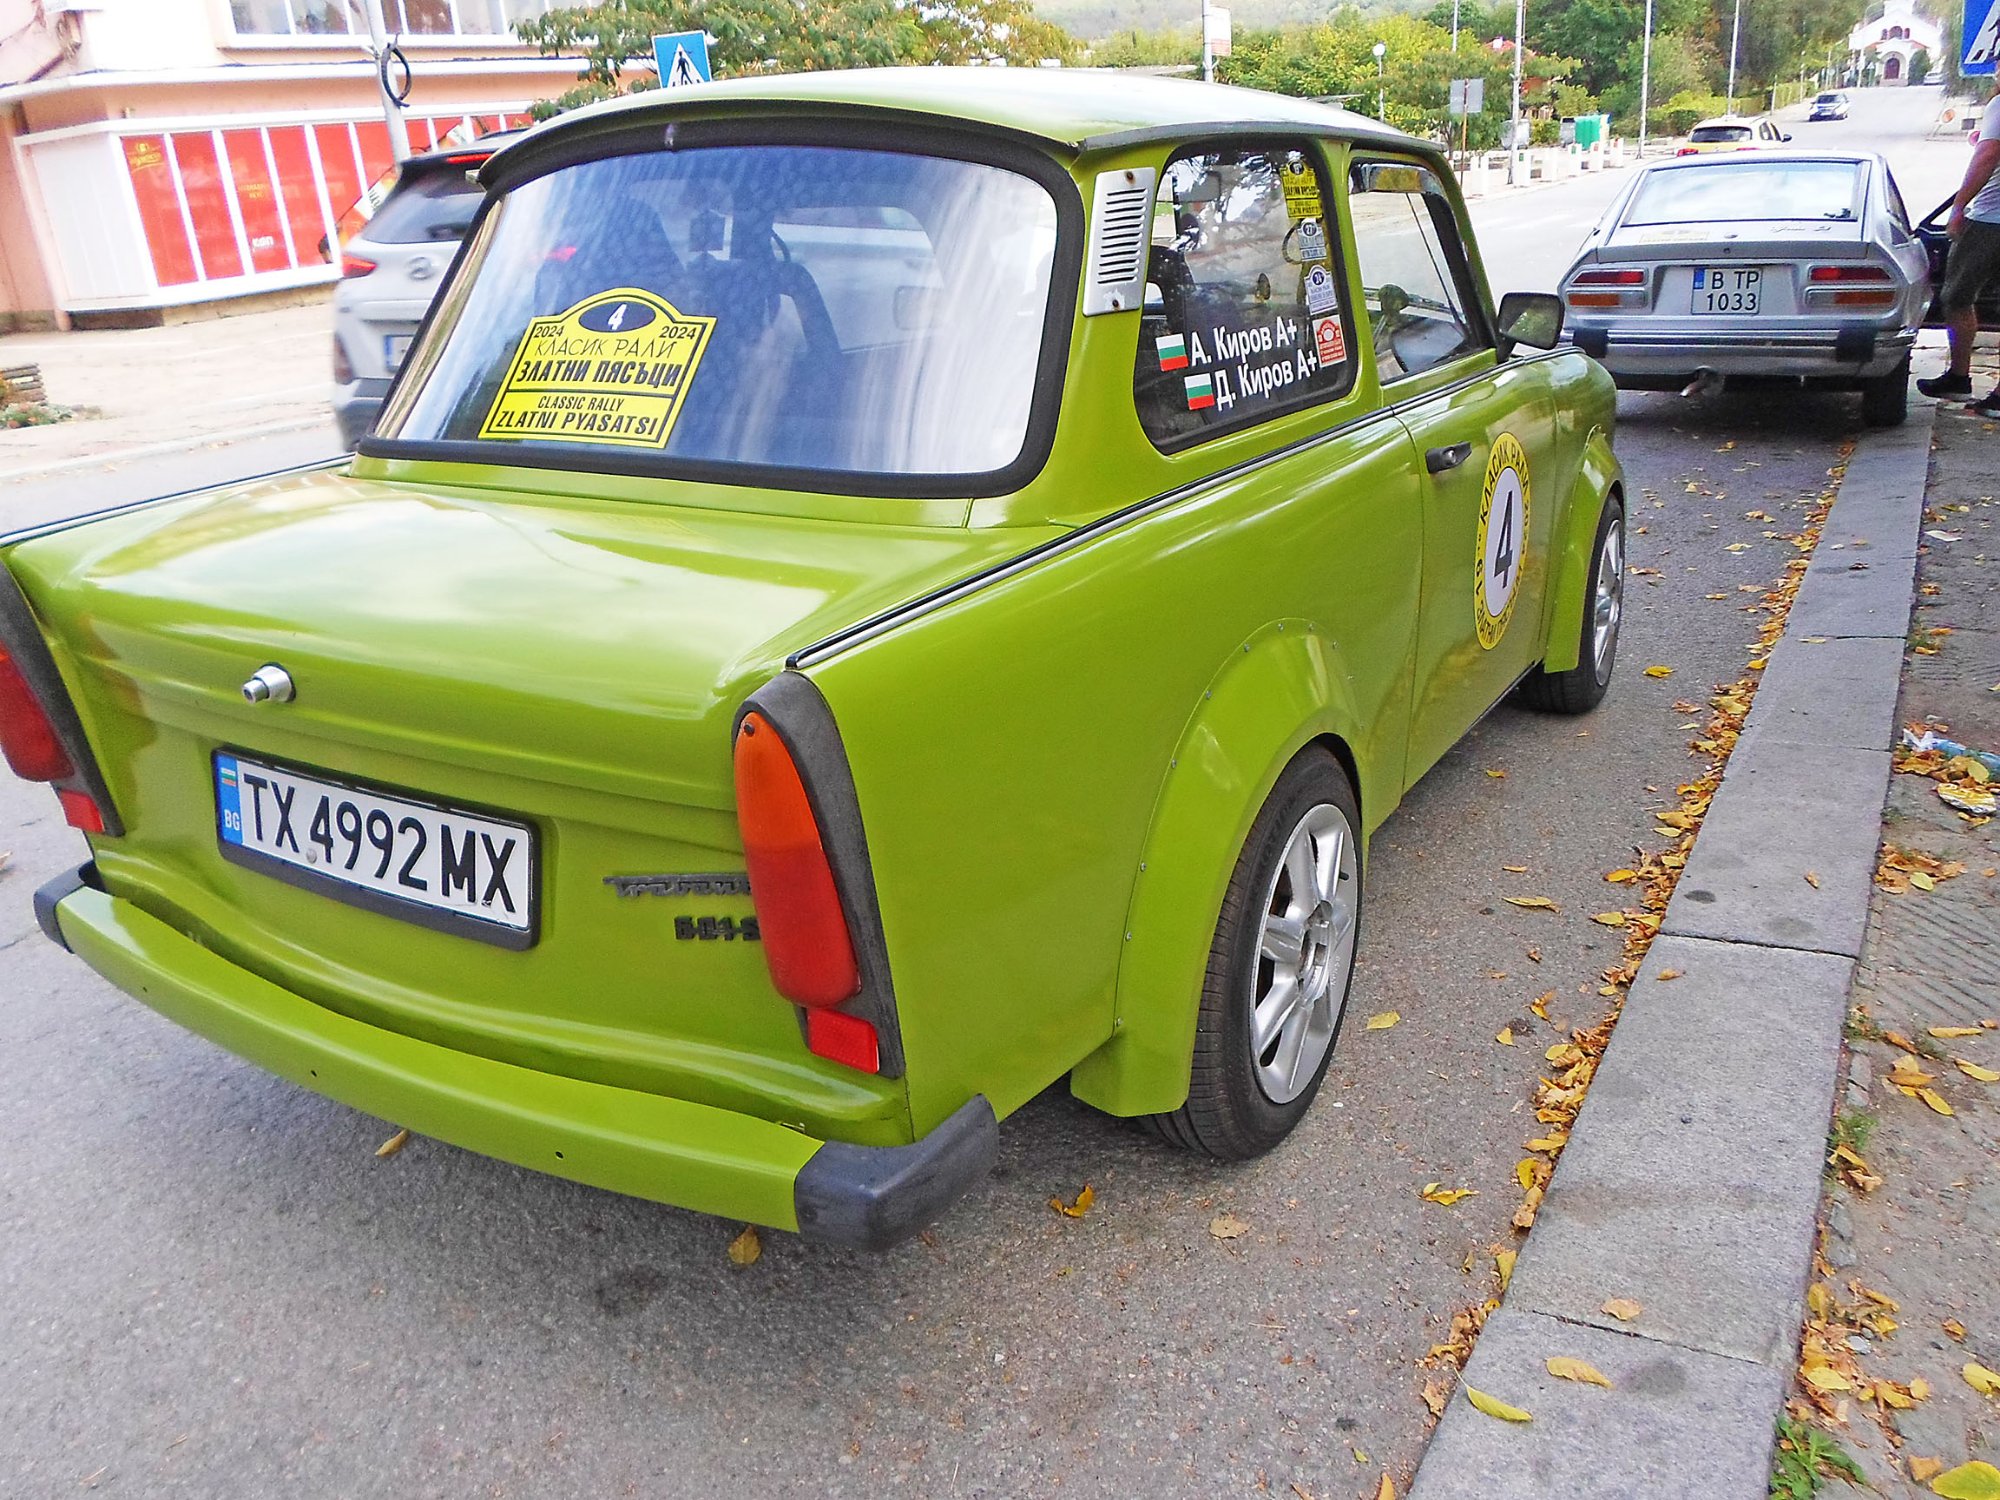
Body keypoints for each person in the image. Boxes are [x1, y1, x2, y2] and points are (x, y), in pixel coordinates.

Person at [1918, 84, 2000, 415]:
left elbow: (1988, 154)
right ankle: (1964, 381)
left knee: (1956, 297)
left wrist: (1958, 207)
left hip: (1991, 220)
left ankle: (1959, 376)